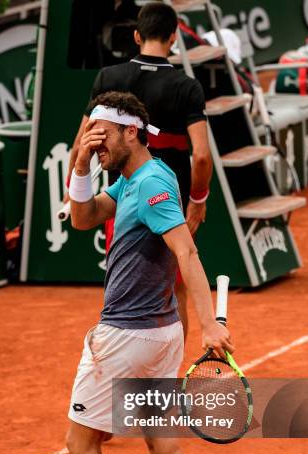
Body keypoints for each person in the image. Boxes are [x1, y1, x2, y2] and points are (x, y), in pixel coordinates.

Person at [50, 91, 233, 454]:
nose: (95, 141)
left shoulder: (149, 183)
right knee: (163, 446)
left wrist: (210, 326)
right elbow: (83, 217)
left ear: (132, 131)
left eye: (101, 134)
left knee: (81, 441)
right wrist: (83, 160)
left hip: (125, 336)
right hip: (159, 334)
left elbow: (187, 251)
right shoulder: (138, 178)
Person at [65, 1, 212, 338]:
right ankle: (168, 376)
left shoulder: (109, 77)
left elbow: (79, 144)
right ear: (173, 37)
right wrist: (198, 199)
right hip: (169, 201)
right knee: (176, 293)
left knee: (123, 286)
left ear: (135, 35)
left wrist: (74, 185)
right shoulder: (186, 86)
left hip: (123, 201)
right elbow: (201, 155)